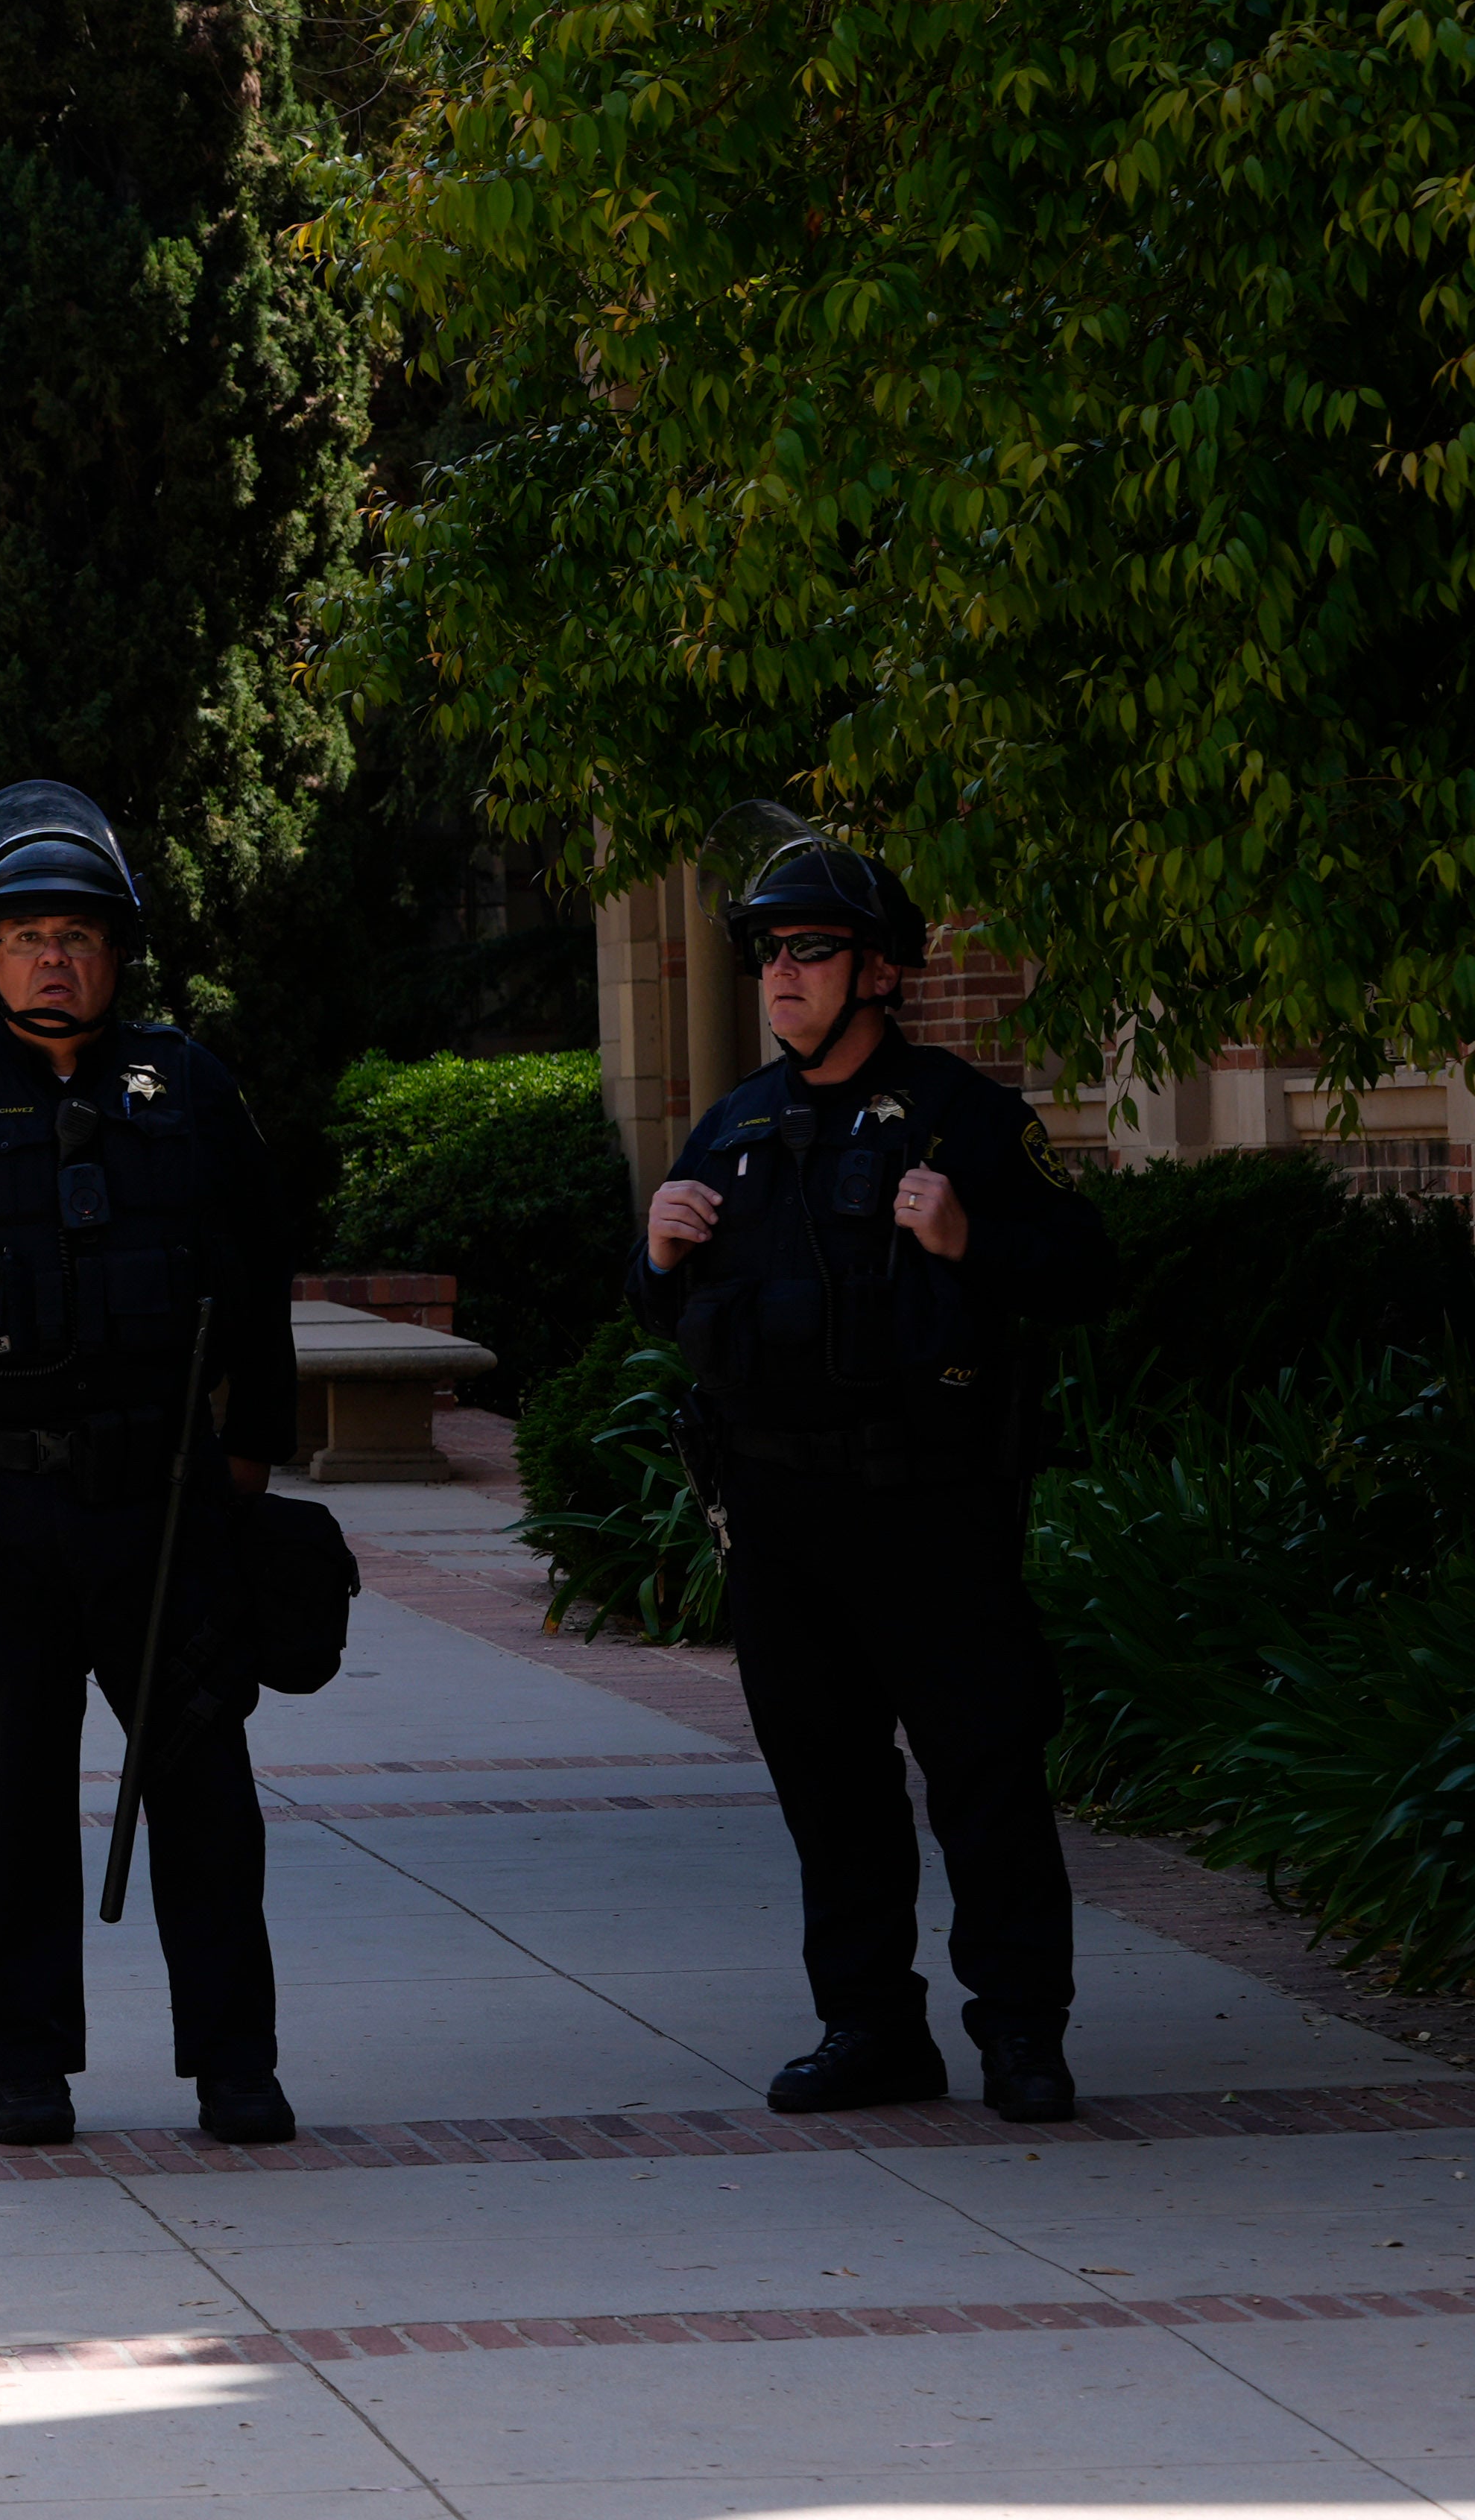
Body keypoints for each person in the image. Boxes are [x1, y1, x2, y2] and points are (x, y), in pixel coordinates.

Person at [0, 783, 303, 2150]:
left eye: (76, 934)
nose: (52, 958)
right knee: (16, 1800)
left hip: (168, 1510)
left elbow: (259, 1284)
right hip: (8, 1511)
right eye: (25, 934)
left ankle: (236, 2064)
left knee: (206, 1797)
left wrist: (251, 1453)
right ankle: (26, 2065)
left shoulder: (192, 1090)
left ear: (116, 950)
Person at [633, 824, 1113, 2124]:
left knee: (984, 1772)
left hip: (933, 1504)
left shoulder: (964, 1117)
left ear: (882, 972)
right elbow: (672, 1310)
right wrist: (660, 1255)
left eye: (810, 950)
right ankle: (870, 2029)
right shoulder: (732, 1128)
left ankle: (1021, 2029)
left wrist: (970, 1240)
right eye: (767, 954)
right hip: (782, 1518)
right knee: (828, 1784)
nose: (780, 976)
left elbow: (1083, 1267)